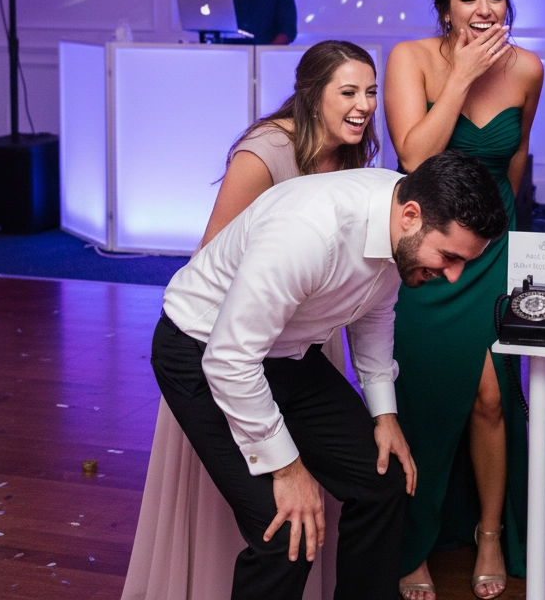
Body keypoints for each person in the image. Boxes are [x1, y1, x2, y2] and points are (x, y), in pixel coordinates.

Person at [151, 150, 510, 600]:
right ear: (411, 216)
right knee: (285, 531)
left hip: (281, 352)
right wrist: (288, 468)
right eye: (449, 256)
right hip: (201, 353)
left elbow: (376, 309)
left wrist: (384, 415)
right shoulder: (309, 232)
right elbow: (229, 360)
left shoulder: (404, 211)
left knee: (383, 483)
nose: (454, 277)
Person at [123, 41, 381, 600]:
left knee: (340, 488)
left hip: (300, 343)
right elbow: (214, 254)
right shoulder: (266, 150)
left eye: (371, 92)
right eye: (349, 92)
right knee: (273, 512)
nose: (364, 105)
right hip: (230, 341)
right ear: (312, 95)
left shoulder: (355, 153)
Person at [385, 0, 543, 600]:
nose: (485, 10)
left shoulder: (529, 68)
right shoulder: (410, 59)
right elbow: (414, 156)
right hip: (430, 248)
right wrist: (462, 77)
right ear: (444, 7)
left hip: (495, 243)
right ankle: (410, 538)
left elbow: (518, 160)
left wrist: (519, 250)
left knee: (491, 396)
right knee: (419, 394)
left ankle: (486, 532)